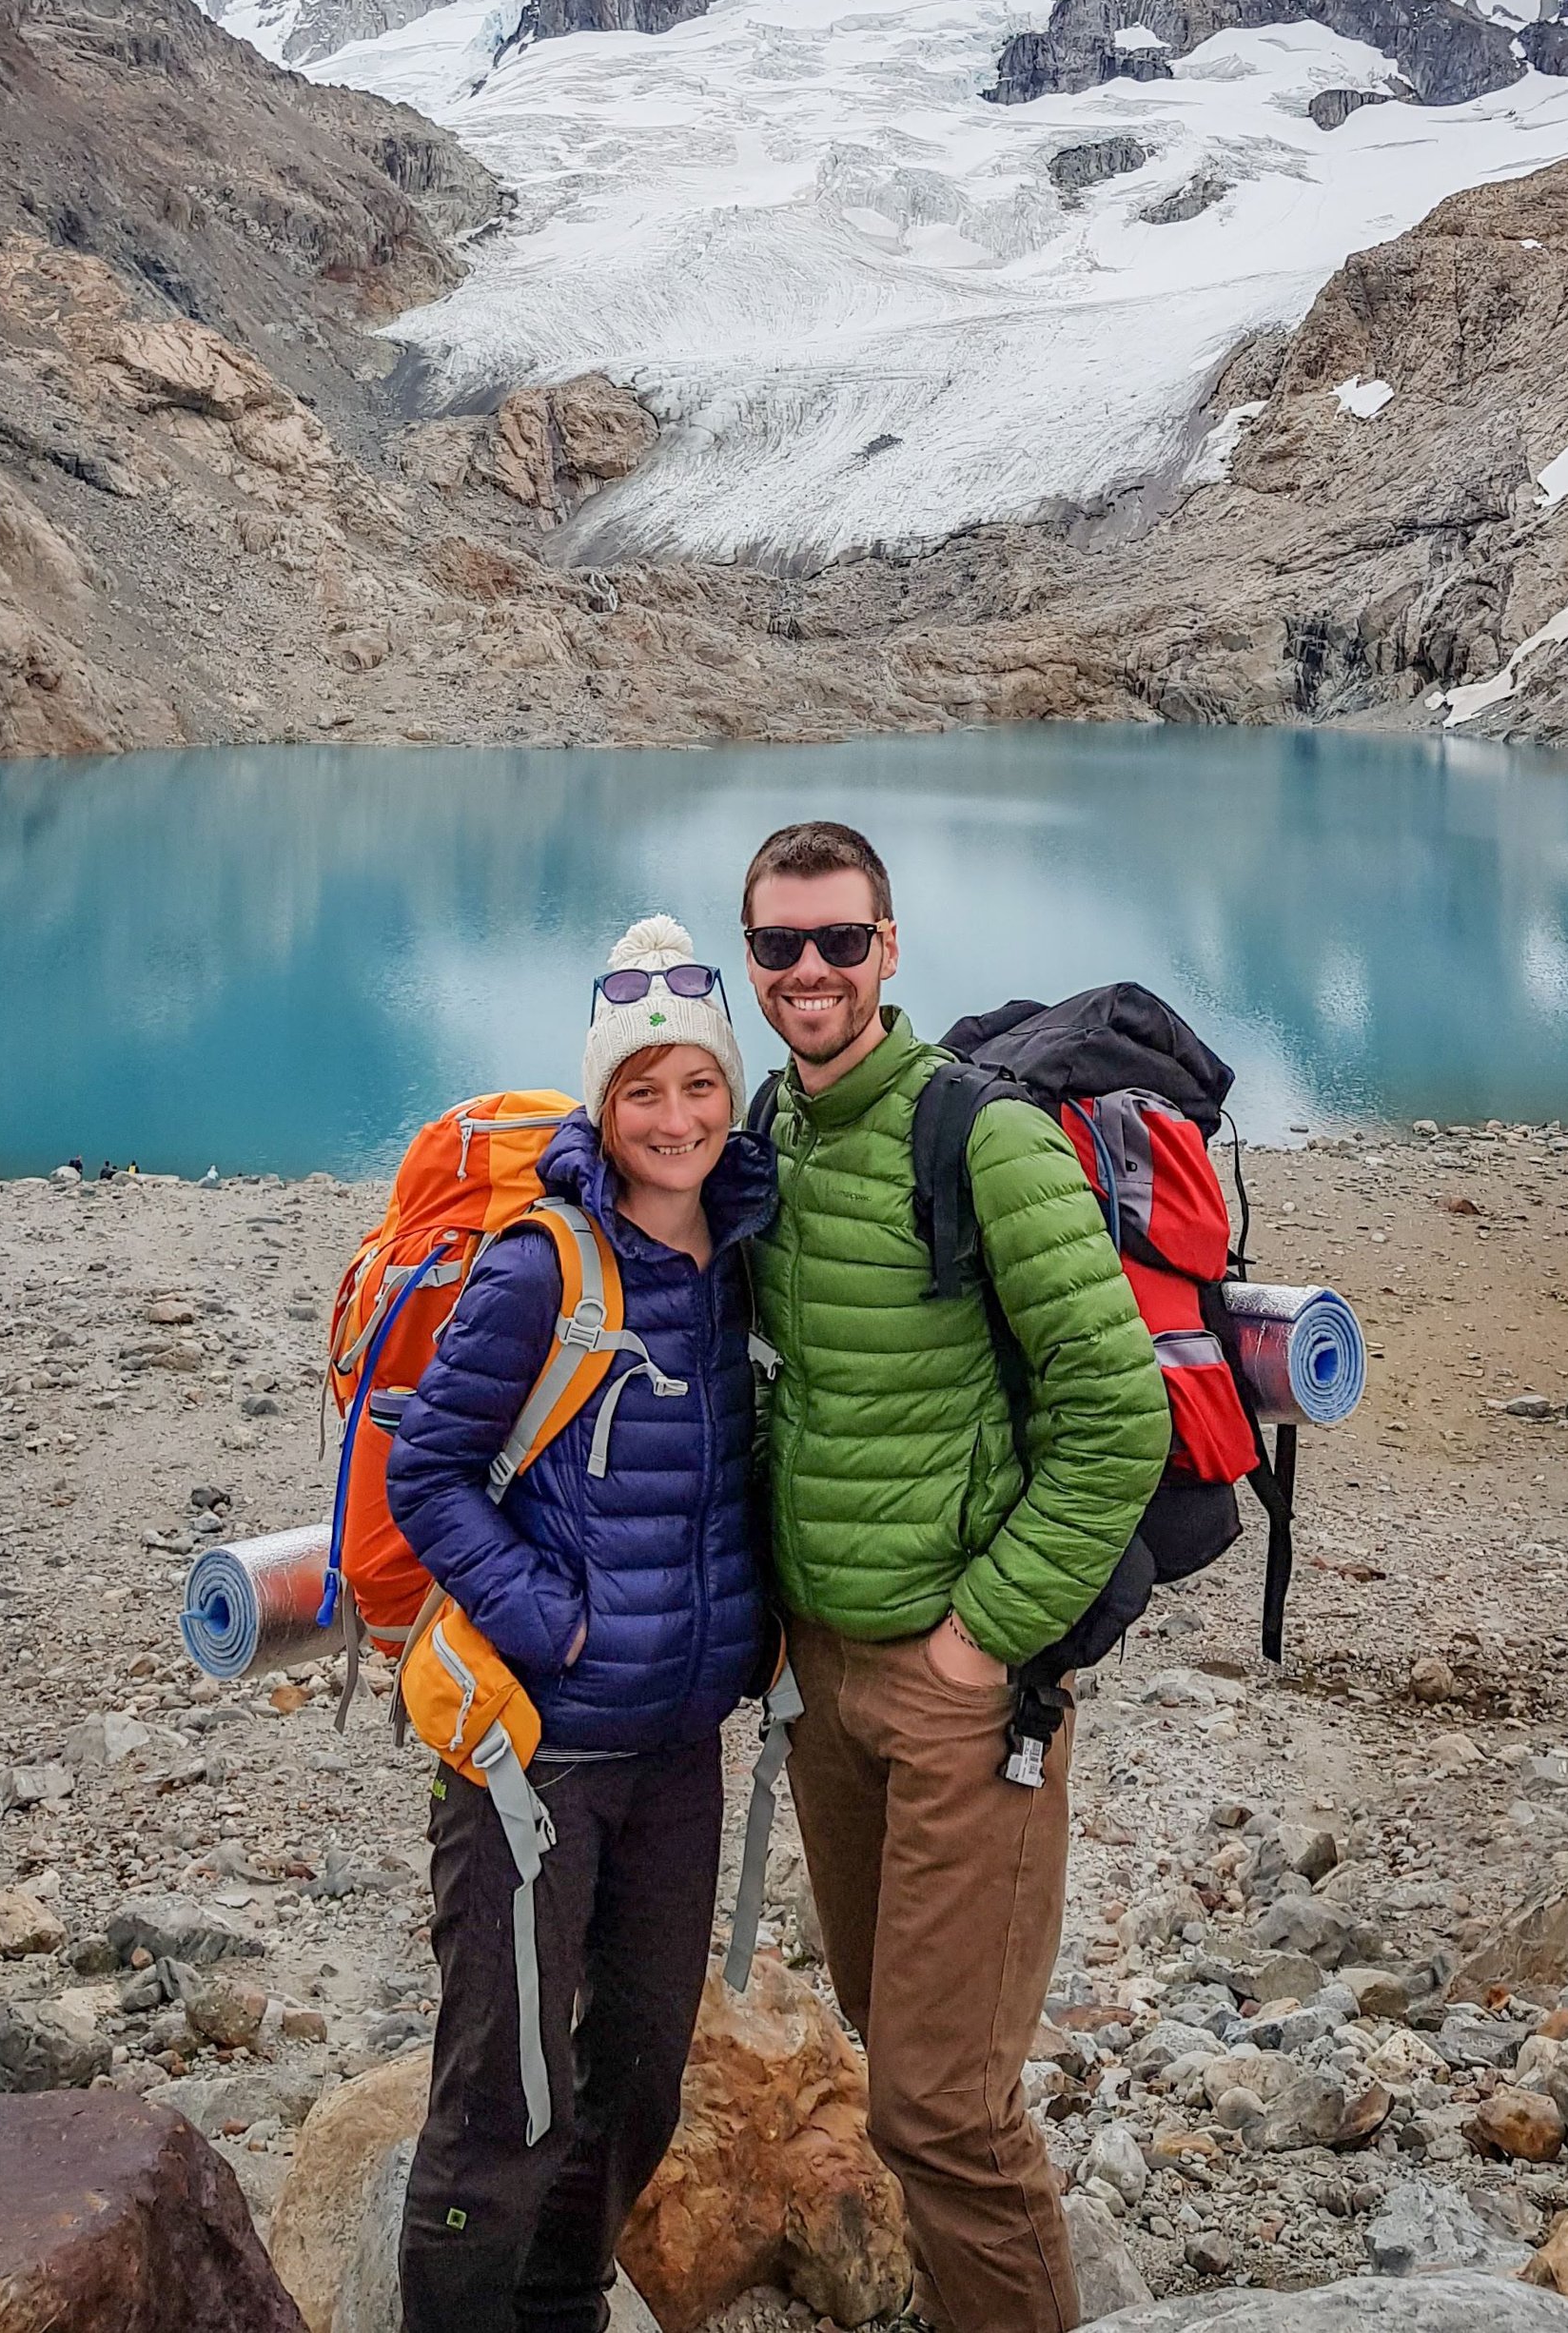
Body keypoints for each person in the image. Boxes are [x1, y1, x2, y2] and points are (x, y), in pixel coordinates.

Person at [740, 819, 1170, 2333]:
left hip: (957, 1693)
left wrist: (984, 1639)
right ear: (752, 961)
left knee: (942, 2109)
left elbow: (1125, 1408)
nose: (810, 970)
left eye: (839, 941)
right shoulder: (767, 1130)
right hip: (820, 1682)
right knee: (885, 2026)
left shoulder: (980, 1135)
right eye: (781, 943)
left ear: (889, 951)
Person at [386, 915, 774, 2333]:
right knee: (505, 2092)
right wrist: (547, 1617)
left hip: (676, 1750)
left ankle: (559, 2311)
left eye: (697, 1086)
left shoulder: (742, 1255)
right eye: (641, 1090)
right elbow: (425, 1466)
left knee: (639, 2073)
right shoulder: (543, 1263)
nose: (674, 1119)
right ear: (602, 1107)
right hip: (530, 1756)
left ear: (730, 1094)